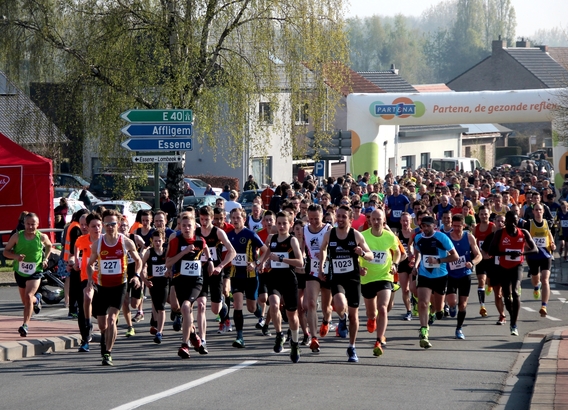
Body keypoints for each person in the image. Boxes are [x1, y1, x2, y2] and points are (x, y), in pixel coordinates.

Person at [86, 209, 143, 366]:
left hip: (119, 286)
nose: (110, 227)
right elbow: (90, 264)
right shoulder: (97, 244)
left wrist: (137, 275)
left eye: (113, 224)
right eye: (107, 224)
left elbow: (138, 261)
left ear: (118, 224)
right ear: (103, 225)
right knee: (103, 325)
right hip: (102, 287)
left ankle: (107, 353)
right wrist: (90, 280)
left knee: (112, 319)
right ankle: (106, 339)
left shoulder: (125, 242)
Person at [318, 205, 373, 362]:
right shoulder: (330, 234)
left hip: (353, 278)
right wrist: (322, 265)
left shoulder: (356, 235)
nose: (340, 219)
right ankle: (342, 317)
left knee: (354, 316)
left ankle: (352, 346)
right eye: (338, 216)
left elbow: (370, 255)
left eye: (343, 217)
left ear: (351, 219)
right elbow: (323, 249)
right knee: (340, 304)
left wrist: (361, 253)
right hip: (337, 277)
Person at [257, 211, 304, 363]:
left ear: (290, 225)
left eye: (285, 223)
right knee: (274, 305)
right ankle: (279, 334)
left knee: (291, 315)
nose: (282, 226)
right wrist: (262, 262)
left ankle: (295, 343)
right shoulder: (272, 238)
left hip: (289, 279)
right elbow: (268, 251)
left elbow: (300, 262)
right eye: (279, 223)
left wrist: (282, 259)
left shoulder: (292, 241)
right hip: (274, 278)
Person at [166, 212, 213, 358]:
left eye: (189, 226)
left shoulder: (200, 241)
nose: (186, 228)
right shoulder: (176, 241)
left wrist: (210, 261)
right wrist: (184, 252)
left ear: (194, 227)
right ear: (180, 226)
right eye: (184, 225)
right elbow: (168, 262)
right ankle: (195, 337)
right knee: (186, 312)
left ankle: (185, 345)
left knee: (186, 307)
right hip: (180, 280)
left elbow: (206, 251)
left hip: (196, 281)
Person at [413, 216, 459, 349]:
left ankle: (434, 312)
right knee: (423, 302)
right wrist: (415, 266)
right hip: (424, 274)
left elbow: (454, 256)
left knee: (438, 308)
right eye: (423, 226)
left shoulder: (442, 237)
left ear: (434, 225)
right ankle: (423, 330)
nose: (425, 228)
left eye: (428, 226)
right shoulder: (418, 238)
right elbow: (418, 255)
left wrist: (439, 261)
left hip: (440, 275)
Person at [359, 208, 400, 357]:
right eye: (373, 219)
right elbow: (356, 255)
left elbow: (397, 252)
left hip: (385, 276)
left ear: (384, 220)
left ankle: (379, 340)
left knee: (382, 308)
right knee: (371, 313)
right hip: (368, 278)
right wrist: (359, 267)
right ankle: (371, 319)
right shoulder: (363, 236)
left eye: (379, 219)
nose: (376, 222)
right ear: (370, 221)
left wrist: (395, 264)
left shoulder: (390, 237)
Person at [195, 206, 236, 352]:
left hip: (216, 272)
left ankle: (223, 305)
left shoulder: (218, 232)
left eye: (207, 219)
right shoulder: (196, 232)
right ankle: (203, 339)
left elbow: (232, 252)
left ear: (212, 218)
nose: (204, 222)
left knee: (215, 309)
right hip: (199, 272)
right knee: (200, 306)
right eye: (201, 219)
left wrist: (221, 266)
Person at [3, 213, 52, 337]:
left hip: (35, 271)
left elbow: (49, 245)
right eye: (28, 224)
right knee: (26, 301)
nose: (30, 227)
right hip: (20, 271)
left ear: (38, 224)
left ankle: (25, 325)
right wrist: (16, 257)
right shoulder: (17, 236)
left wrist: (45, 259)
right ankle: (38, 299)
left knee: (29, 295)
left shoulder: (41, 237)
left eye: (33, 224)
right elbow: (5, 252)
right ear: (24, 224)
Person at [488, 211, 537, 336]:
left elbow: (535, 249)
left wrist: (522, 254)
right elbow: (491, 250)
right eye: (511, 221)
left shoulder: (523, 233)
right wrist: (507, 254)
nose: (513, 224)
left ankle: (513, 324)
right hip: (503, 267)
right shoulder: (500, 233)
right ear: (506, 222)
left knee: (515, 292)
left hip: (517, 266)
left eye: (515, 221)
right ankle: (511, 315)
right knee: (507, 296)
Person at [226, 208, 268, 348]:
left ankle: (260, 314)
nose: (236, 220)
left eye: (238, 217)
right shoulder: (228, 234)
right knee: (237, 305)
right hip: (235, 275)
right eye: (233, 218)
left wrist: (256, 263)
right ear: (231, 219)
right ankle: (239, 336)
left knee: (251, 307)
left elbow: (266, 250)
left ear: (244, 219)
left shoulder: (250, 234)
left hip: (250, 276)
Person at [446, 214, 482, 339]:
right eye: (454, 226)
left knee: (463, 304)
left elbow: (479, 255)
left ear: (464, 225)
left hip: (465, 274)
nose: (456, 228)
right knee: (452, 301)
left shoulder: (469, 237)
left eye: (458, 226)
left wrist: (472, 263)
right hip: (450, 274)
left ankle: (459, 328)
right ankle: (451, 306)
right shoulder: (447, 238)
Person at [303, 204, 332, 353]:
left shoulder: (328, 230)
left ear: (322, 216)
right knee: (311, 303)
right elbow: (301, 247)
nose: (313, 221)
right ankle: (314, 337)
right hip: (312, 269)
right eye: (311, 218)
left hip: (327, 269)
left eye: (316, 218)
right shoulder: (304, 230)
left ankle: (327, 319)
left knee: (326, 307)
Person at [72, 212, 102, 352]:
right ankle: (85, 337)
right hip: (86, 278)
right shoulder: (82, 240)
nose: (96, 229)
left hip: (104, 280)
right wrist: (75, 261)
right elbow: (76, 251)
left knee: (101, 311)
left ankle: (105, 332)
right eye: (93, 226)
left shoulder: (106, 241)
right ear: (88, 228)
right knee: (86, 298)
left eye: (98, 226)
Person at [523, 203, 555, 317]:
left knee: (545, 279)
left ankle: (544, 306)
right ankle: (536, 287)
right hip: (533, 255)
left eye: (540, 210)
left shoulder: (546, 222)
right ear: (533, 212)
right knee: (535, 279)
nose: (538, 211)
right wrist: (526, 248)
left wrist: (552, 243)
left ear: (543, 211)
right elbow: (524, 238)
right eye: (536, 210)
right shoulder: (529, 224)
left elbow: (549, 233)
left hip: (546, 255)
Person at [141, 229, 168, 344]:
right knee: (157, 306)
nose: (157, 243)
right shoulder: (149, 252)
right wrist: (145, 280)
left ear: (164, 241)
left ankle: (159, 332)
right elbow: (140, 266)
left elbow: (173, 264)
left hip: (165, 283)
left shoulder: (167, 252)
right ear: (152, 241)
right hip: (153, 283)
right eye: (155, 241)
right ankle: (157, 326)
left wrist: (170, 271)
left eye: (159, 241)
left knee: (161, 307)